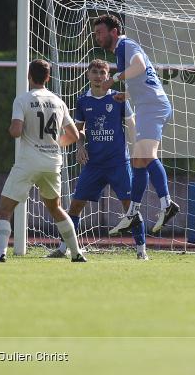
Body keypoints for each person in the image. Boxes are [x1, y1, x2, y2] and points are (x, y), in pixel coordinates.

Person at [46, 59, 148, 260]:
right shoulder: (83, 100)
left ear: (107, 76)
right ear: (88, 75)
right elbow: (79, 129)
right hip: (94, 164)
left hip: (119, 163)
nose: (98, 76)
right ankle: (63, 247)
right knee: (75, 205)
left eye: (102, 72)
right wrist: (80, 145)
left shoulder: (118, 98)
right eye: (94, 72)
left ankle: (141, 251)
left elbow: (131, 124)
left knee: (130, 206)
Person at [0, 59, 85, 263]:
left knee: (5, 209)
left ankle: (0, 255)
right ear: (48, 77)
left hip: (28, 162)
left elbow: (16, 131)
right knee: (56, 208)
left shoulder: (23, 100)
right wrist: (55, 144)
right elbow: (75, 135)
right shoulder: (58, 101)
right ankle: (77, 253)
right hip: (52, 162)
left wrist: (11, 129)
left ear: (29, 76)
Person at [93, 14, 178, 236]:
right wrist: (127, 94)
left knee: (147, 156)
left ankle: (167, 203)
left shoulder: (125, 44)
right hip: (148, 105)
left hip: (152, 107)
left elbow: (139, 66)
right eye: (95, 33)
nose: (97, 37)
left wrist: (115, 78)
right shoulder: (122, 51)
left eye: (100, 32)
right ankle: (132, 213)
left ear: (114, 32)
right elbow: (144, 79)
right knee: (138, 161)